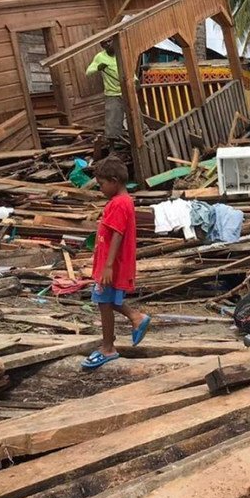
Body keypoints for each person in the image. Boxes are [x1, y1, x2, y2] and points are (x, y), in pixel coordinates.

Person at [83, 155, 151, 369]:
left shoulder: (120, 204)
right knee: (106, 300)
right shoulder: (120, 202)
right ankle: (136, 317)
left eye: (102, 184)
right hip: (109, 262)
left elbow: (118, 234)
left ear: (114, 181)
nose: (100, 188)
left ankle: (108, 347)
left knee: (104, 302)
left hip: (112, 264)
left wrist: (108, 265)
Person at [86, 39, 126, 143]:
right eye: (104, 43)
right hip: (112, 94)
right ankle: (113, 149)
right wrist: (98, 68)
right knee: (112, 122)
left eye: (109, 41)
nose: (107, 44)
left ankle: (141, 138)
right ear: (102, 46)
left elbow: (128, 68)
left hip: (127, 91)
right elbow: (88, 72)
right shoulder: (100, 57)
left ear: (114, 41)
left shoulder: (122, 54)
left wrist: (135, 81)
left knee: (136, 118)